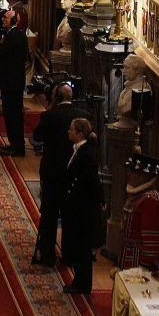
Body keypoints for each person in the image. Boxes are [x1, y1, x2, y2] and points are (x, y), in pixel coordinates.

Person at [31, 83, 89, 266]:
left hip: (52, 173)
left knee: (49, 215)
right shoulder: (83, 116)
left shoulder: (49, 116)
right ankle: (69, 256)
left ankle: (47, 255)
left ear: (55, 97)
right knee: (70, 216)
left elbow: (37, 137)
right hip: (73, 176)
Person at [61, 118, 103, 295]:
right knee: (77, 245)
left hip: (82, 209)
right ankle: (79, 280)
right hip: (76, 206)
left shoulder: (86, 154)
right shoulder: (80, 149)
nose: (68, 132)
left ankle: (82, 284)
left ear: (79, 134)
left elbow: (91, 182)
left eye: (71, 130)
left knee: (82, 248)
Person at [0, 9, 30, 156]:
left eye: (6, 19)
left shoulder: (15, 36)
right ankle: (14, 144)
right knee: (11, 115)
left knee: (13, 115)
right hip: (13, 80)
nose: (3, 20)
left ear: (14, 21)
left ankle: (17, 147)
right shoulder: (16, 34)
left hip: (12, 82)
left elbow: (0, 52)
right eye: (3, 18)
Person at [119, 153, 159, 270]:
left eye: (133, 171)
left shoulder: (151, 201)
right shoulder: (138, 197)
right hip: (130, 260)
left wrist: (143, 267)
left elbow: (152, 244)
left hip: (140, 266)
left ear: (144, 176)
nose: (129, 174)